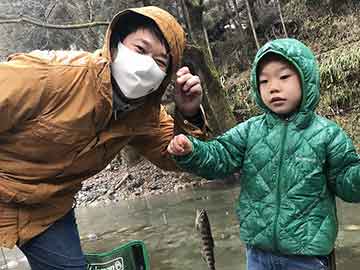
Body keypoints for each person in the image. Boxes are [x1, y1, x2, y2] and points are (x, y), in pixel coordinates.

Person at [0, 6, 208, 270]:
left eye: (159, 62)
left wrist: (188, 114)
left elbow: (176, 158)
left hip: (49, 209)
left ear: (165, 77)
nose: (146, 66)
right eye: (140, 50)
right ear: (116, 45)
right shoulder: (51, 75)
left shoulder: (145, 116)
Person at [168, 38, 360, 270]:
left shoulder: (328, 134)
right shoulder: (250, 131)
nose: (273, 87)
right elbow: (220, 155)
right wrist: (192, 150)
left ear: (306, 79)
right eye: (264, 81)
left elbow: (348, 183)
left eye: (284, 77)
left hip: (308, 257)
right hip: (257, 254)